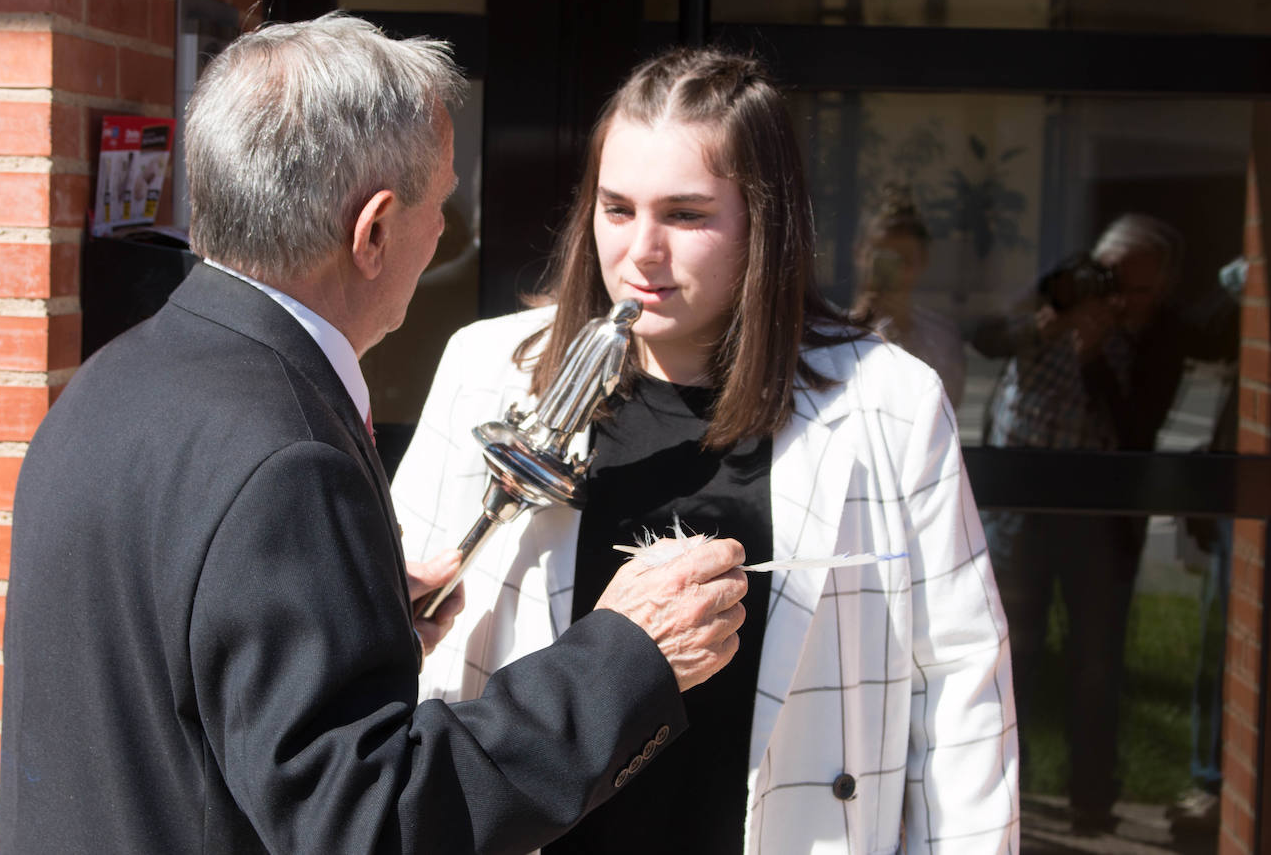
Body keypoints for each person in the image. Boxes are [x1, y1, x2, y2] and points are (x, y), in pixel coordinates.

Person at [0, 14, 751, 855]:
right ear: (376, 231)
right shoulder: (288, 457)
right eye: (440, 203)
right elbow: (369, 821)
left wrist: (360, 622)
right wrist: (625, 658)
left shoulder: (109, 382)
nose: (443, 232)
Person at [393, 47, 1019, 854]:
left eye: (685, 215)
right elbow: (400, 630)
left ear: (765, 219)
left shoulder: (885, 403)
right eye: (616, 209)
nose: (641, 252)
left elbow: (961, 684)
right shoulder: (487, 370)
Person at [971, 213, 1237, 834]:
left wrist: (1093, 355)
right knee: (1011, 655)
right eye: (1107, 276)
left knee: (1095, 664)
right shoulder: (1056, 296)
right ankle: (1007, 799)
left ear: (1157, 292)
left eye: (1131, 287)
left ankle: (1093, 803)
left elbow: (1136, 428)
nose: (1114, 295)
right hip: (1020, 506)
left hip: (1096, 520)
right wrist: (1043, 321)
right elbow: (986, 337)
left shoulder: (1152, 338)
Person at [850, 183, 967, 408]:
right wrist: (857, 327)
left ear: (923, 261)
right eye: (882, 257)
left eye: (904, 259)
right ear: (859, 254)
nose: (895, 269)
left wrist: (905, 331)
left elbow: (949, 402)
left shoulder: (942, 336)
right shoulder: (828, 331)